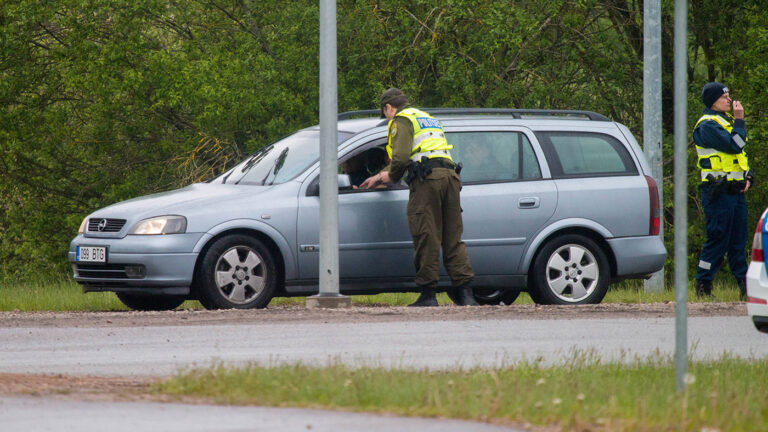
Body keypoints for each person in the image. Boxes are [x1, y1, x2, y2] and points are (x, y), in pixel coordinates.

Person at [360, 88, 477, 306]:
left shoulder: (401, 120)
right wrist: (380, 175)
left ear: (388, 107)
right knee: (453, 238)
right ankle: (466, 295)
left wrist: (391, 177)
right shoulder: (427, 118)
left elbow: (401, 158)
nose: (386, 117)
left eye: (384, 113)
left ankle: (428, 295)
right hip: (450, 178)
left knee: (426, 235)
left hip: (428, 181)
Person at [693, 82, 754, 299]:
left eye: (729, 96)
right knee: (718, 239)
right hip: (717, 192)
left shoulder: (725, 122)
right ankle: (703, 284)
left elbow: (739, 156)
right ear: (713, 101)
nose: (729, 100)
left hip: (735, 192)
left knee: (738, 242)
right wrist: (740, 119)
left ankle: (746, 289)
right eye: (724, 97)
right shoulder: (707, 125)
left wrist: (749, 176)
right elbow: (736, 144)